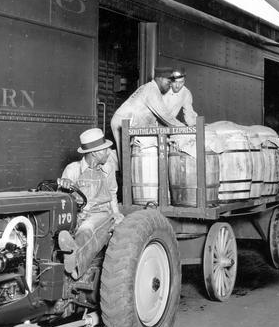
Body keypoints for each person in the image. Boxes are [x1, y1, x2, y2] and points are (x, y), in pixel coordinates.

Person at [57, 127, 124, 279]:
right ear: (94, 153)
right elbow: (63, 200)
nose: (108, 152)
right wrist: (65, 186)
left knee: (86, 229)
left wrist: (116, 213)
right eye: (105, 150)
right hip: (79, 213)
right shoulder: (73, 169)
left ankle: (74, 266)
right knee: (62, 231)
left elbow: (112, 192)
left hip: (101, 213)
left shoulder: (108, 168)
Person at [110, 66, 185, 162]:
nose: (170, 85)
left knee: (127, 159)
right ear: (159, 78)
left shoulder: (150, 87)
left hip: (126, 121)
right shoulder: (151, 90)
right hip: (123, 122)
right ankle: (124, 175)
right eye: (168, 82)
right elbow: (166, 117)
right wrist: (185, 129)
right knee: (125, 161)